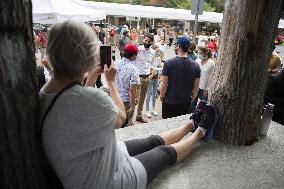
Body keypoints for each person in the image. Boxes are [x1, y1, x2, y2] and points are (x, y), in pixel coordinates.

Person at [40, 20, 219, 189]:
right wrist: (110, 82)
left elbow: (78, 100)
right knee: (165, 153)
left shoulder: (42, 95)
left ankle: (190, 124)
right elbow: (120, 117)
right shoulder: (89, 98)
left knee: (152, 140)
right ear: (88, 57)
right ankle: (199, 132)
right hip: (108, 180)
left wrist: (92, 78)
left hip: (91, 161)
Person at [160, 37, 200, 119]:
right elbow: (196, 88)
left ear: (178, 46)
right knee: (179, 127)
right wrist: (192, 99)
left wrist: (161, 96)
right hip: (185, 102)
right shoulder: (196, 66)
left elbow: (164, 84)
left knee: (167, 128)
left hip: (170, 101)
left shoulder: (168, 64)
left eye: (176, 45)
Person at [115, 44, 140, 126]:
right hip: (125, 101)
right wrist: (132, 107)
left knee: (116, 123)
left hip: (114, 98)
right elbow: (132, 90)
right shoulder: (133, 69)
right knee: (125, 125)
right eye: (136, 54)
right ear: (133, 55)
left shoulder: (115, 63)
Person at [133, 33, 156, 123]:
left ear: (152, 43)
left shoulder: (153, 52)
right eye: (145, 41)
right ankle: (129, 117)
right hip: (137, 77)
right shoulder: (138, 50)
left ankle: (139, 116)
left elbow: (152, 64)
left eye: (149, 42)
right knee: (135, 99)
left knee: (142, 98)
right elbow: (132, 62)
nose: (147, 43)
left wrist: (151, 74)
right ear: (143, 40)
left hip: (147, 78)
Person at [189, 46, 215, 113]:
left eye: (200, 53)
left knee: (203, 106)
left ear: (206, 53)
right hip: (195, 87)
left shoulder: (211, 63)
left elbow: (211, 78)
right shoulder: (197, 61)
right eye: (198, 52)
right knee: (192, 105)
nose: (199, 54)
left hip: (204, 89)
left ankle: (200, 121)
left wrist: (207, 89)